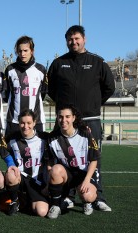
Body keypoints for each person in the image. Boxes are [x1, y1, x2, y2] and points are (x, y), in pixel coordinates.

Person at [47, 25, 115, 211]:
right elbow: (51, 90)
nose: (73, 42)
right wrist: (64, 109)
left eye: (77, 38)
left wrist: (93, 103)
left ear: (84, 39)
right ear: (66, 41)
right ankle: (68, 196)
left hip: (90, 118)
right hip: (65, 121)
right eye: (70, 39)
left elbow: (109, 87)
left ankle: (98, 196)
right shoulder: (58, 63)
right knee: (63, 157)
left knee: (94, 158)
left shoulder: (97, 62)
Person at [47, 105, 99, 219]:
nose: (63, 120)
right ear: (57, 117)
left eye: (67, 116)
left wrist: (86, 181)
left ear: (73, 118)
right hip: (68, 175)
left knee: (88, 196)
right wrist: (51, 181)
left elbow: (94, 160)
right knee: (55, 170)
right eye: (60, 117)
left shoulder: (85, 134)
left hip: (84, 174)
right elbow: (50, 163)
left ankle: (87, 202)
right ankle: (56, 205)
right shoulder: (52, 138)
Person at [5, 109, 50, 217]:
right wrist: (10, 164)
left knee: (42, 212)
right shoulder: (11, 138)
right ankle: (15, 201)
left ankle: (25, 200)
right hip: (20, 178)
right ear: (19, 123)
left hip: (37, 182)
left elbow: (61, 135)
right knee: (10, 174)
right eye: (22, 123)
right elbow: (0, 146)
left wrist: (82, 129)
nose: (25, 126)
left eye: (29, 123)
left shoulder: (45, 138)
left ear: (34, 123)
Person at [4, 36, 48, 142]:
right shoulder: (10, 70)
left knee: (38, 155)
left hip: (36, 121)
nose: (22, 54)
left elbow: (42, 94)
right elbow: (6, 94)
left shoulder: (41, 70)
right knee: (12, 153)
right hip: (14, 121)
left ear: (32, 51)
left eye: (25, 50)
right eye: (20, 51)